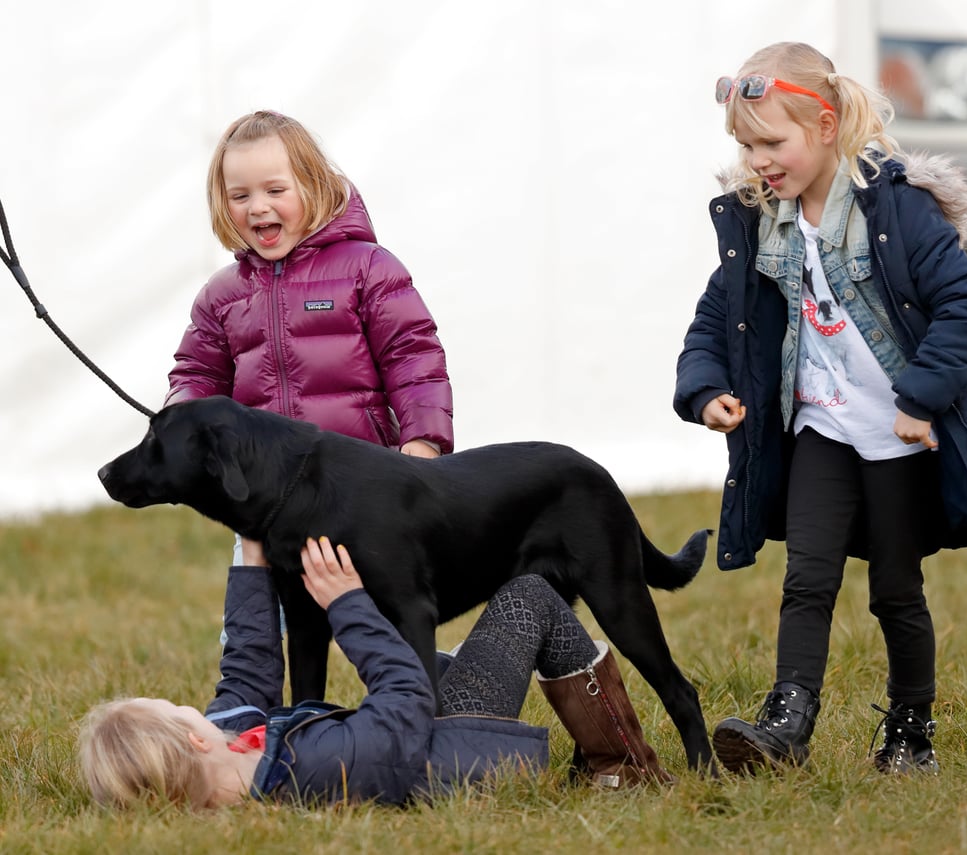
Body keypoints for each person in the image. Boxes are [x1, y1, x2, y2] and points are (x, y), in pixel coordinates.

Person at [673, 42, 967, 776]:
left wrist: (921, 396)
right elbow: (712, 322)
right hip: (822, 428)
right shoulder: (763, 220)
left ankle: (910, 728)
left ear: (825, 126)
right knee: (807, 577)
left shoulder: (896, 211)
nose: (758, 159)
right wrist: (704, 391)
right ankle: (787, 722)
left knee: (895, 589)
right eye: (746, 144)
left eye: (772, 141)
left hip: (896, 437)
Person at [78, 537, 673, 809]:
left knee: (441, 659)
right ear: (190, 737)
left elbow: (247, 669)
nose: (191, 708)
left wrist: (251, 556)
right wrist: (347, 602)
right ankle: (622, 768)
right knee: (530, 598)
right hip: (452, 750)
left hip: (410, 731)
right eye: (174, 708)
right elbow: (405, 700)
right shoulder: (310, 773)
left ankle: (608, 756)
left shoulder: (229, 750)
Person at [163, 109, 454, 652]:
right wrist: (181, 419)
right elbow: (196, 375)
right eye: (239, 195)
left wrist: (421, 444)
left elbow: (413, 356)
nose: (258, 207)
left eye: (276, 188)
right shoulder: (223, 295)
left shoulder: (368, 268)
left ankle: (441, 700)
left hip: (360, 491)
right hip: (265, 501)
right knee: (252, 629)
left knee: (392, 631)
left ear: (314, 185)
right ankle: (249, 719)